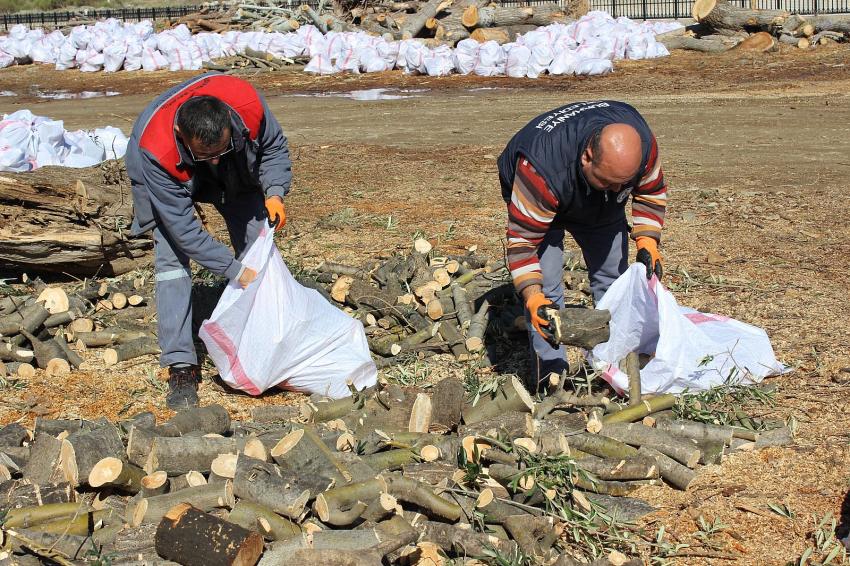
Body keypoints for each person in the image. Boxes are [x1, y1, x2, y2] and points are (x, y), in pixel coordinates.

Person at [125, 72, 292, 409]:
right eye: (206, 155)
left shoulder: (248, 107)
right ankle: (180, 364)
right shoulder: (155, 150)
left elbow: (273, 149)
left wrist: (274, 192)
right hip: (169, 171)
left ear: (230, 122)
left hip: (233, 170)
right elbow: (186, 233)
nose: (213, 160)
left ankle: (263, 338)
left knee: (258, 242)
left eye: (221, 148)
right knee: (172, 261)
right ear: (181, 136)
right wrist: (234, 270)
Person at [497, 100, 667, 392]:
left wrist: (648, 240)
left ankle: (611, 365)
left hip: (595, 200)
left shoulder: (640, 148)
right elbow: (523, 244)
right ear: (588, 157)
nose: (617, 190)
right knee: (547, 287)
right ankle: (550, 371)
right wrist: (534, 298)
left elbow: (650, 191)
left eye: (622, 184)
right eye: (609, 182)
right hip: (545, 191)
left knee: (614, 281)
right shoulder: (539, 171)